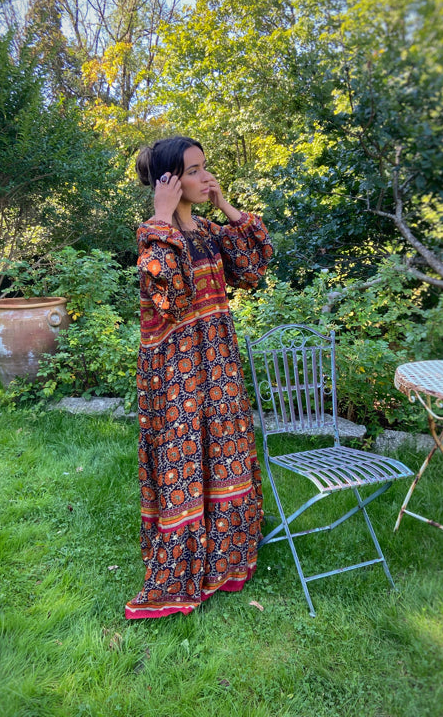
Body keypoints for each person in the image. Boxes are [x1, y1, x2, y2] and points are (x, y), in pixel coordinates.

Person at [125, 135, 273, 619]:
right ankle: (185, 554)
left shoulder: (209, 231)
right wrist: (163, 214)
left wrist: (224, 202)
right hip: (177, 368)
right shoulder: (153, 234)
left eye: (205, 168)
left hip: (218, 361)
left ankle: (227, 551)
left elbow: (252, 268)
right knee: (185, 454)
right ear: (168, 181)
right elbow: (171, 296)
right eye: (193, 171)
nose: (203, 177)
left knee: (225, 446)